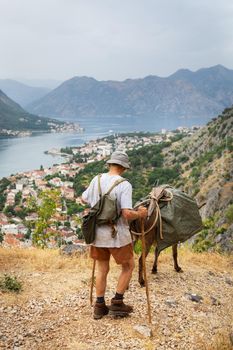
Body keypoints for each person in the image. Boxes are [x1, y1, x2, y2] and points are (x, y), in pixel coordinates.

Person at [81, 151, 148, 319]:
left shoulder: (96, 180)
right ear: (124, 168)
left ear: (110, 164)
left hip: (97, 234)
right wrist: (140, 214)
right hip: (117, 235)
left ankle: (99, 306)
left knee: (102, 268)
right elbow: (126, 213)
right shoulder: (124, 184)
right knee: (128, 266)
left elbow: (83, 199)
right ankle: (117, 302)